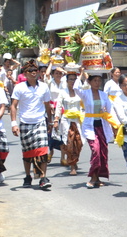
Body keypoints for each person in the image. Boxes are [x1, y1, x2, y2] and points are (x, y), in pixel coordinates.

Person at [9, 60, 53, 190]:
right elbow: (13, 106)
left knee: (43, 150)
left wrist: (50, 121)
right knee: (28, 152)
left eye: (36, 71)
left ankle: (43, 177)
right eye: (30, 71)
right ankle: (28, 176)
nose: (34, 73)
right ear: (25, 74)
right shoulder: (19, 87)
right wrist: (13, 123)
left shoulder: (44, 87)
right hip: (25, 122)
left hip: (40, 122)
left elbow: (47, 105)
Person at [80, 72, 116, 188]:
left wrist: (115, 126)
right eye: (94, 80)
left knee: (102, 152)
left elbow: (110, 111)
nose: (97, 83)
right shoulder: (85, 94)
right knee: (95, 149)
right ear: (89, 82)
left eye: (99, 81)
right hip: (90, 126)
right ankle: (93, 177)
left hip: (101, 125)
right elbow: (75, 87)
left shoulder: (104, 95)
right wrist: (81, 72)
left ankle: (98, 176)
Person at [53, 65, 84, 176]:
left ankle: (75, 159)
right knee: (69, 143)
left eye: (74, 79)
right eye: (70, 79)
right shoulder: (63, 92)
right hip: (66, 120)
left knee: (79, 143)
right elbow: (58, 106)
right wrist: (56, 119)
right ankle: (72, 165)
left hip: (78, 120)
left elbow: (85, 104)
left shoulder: (80, 92)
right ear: (66, 81)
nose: (72, 81)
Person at [45, 64, 67, 162]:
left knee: (62, 134)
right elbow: (47, 73)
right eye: (56, 73)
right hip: (52, 110)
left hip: (63, 110)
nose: (58, 75)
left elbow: (68, 74)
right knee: (51, 134)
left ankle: (63, 158)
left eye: (60, 73)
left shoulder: (65, 83)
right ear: (53, 74)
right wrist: (51, 62)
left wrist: (62, 69)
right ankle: (50, 153)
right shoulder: (50, 82)